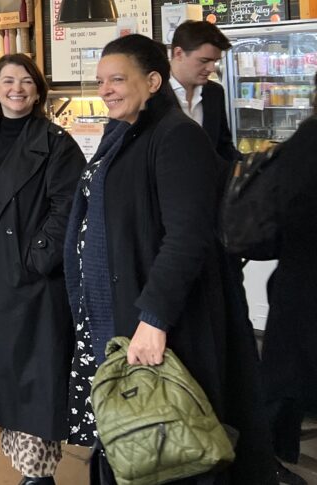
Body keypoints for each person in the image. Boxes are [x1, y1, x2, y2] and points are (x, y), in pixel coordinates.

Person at [66, 34, 275, 485]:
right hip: (121, 315)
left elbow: (187, 237)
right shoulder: (123, 134)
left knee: (170, 444)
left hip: (165, 324)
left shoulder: (177, 136)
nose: (106, 89)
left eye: (118, 79)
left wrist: (154, 319)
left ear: (153, 80)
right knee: (132, 438)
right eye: (102, 81)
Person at [0, 54, 86, 485]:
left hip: (35, 287)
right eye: (7, 81)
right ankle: (30, 473)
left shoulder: (57, 142)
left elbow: (69, 206)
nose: (17, 88)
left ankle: (39, 475)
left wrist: (37, 257)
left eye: (26, 81)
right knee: (9, 379)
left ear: (38, 90)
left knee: (37, 381)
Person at [258, 73, 317, 485]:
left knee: (285, 376)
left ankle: (272, 460)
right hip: (304, 281)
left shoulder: (300, 142)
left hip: (295, 280)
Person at [169, 20, 238, 163]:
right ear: (179, 53)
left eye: (215, 61)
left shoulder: (215, 92)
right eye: (204, 60)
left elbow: (223, 148)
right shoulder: (151, 94)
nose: (212, 68)